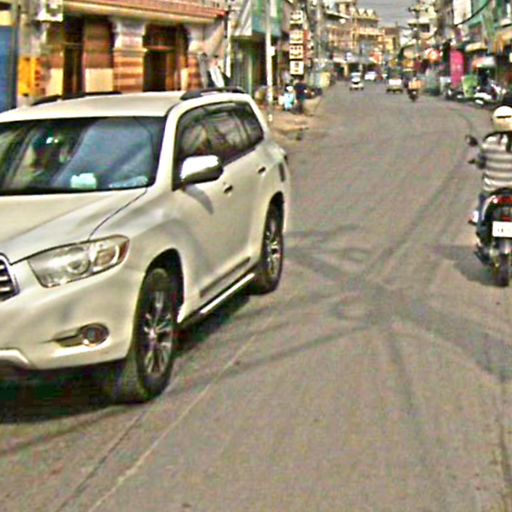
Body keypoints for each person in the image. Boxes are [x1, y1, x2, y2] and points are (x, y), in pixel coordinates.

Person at [470, 106, 512, 252]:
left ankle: (481, 233)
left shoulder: (489, 142)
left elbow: (480, 162)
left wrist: (478, 162)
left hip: (492, 191)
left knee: (482, 212)